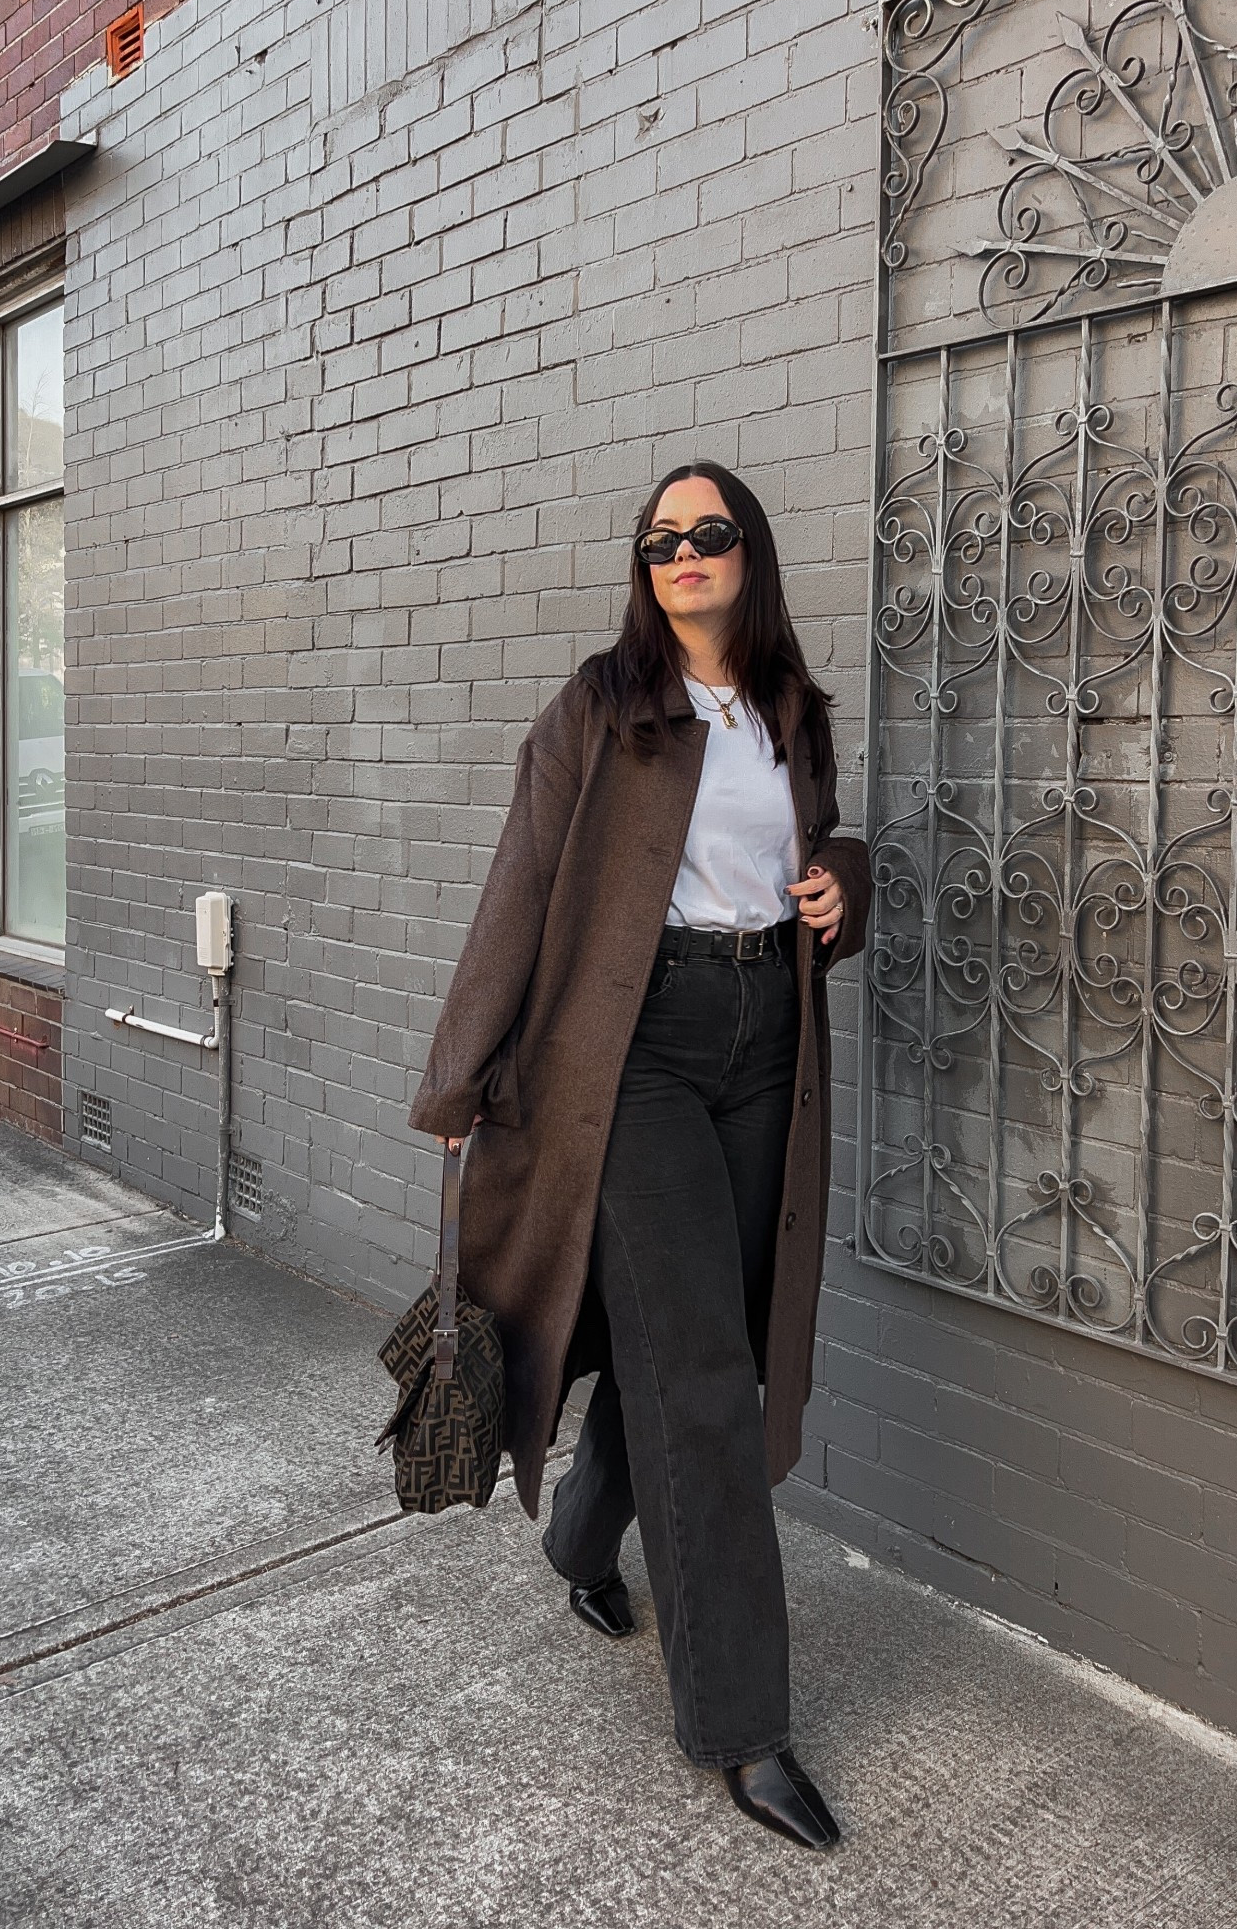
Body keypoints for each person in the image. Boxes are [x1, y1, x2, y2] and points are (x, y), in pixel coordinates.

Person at [407, 459, 871, 1849]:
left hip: (766, 1047)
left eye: (709, 533)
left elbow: (826, 852)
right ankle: (743, 1727)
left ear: (750, 556)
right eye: (661, 538)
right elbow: (524, 886)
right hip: (639, 1055)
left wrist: (848, 878)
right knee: (709, 1389)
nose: (684, 555)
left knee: (695, 1340)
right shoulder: (602, 710)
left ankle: (577, 1537)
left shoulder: (793, 710)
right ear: (644, 566)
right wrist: (461, 1074)